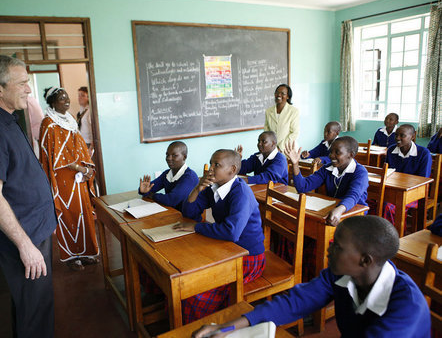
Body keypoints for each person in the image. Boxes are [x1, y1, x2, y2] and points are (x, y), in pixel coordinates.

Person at [192, 215, 430, 338]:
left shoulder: (406, 308)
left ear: (365, 260)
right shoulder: (342, 276)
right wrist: (226, 327)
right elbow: (296, 301)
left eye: (337, 246)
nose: (328, 250)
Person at [0, 54, 57, 338]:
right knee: (36, 310)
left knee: (32, 306)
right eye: (23, 83)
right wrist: (26, 246)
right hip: (24, 236)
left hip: (32, 229)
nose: (29, 89)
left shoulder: (5, 119)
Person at [174, 149, 265, 324]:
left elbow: (232, 232)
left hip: (248, 257)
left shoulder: (241, 193)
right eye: (211, 163)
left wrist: (197, 227)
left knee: (198, 291)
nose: (211, 169)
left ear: (232, 170)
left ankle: (199, 327)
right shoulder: (213, 187)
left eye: (217, 165)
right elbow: (189, 212)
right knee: (188, 277)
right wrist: (198, 187)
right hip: (226, 249)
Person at [39, 86, 99, 271]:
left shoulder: (70, 120)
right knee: (68, 215)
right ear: (52, 103)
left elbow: (79, 148)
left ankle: (86, 252)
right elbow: (57, 156)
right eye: (61, 99)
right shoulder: (48, 123)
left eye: (67, 97)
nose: (66, 101)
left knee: (83, 213)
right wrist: (81, 167)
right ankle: (71, 256)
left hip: (79, 177)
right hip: (63, 179)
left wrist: (87, 167)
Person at [285, 136, 368, 227]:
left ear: (351, 155)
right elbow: (302, 187)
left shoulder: (360, 172)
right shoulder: (327, 168)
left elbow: (353, 196)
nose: (331, 155)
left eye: (337, 152)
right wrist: (295, 164)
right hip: (333, 210)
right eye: (331, 151)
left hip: (354, 212)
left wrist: (339, 210)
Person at [384, 124, 432, 228]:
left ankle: (394, 236)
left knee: (388, 206)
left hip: (415, 193)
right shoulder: (391, 150)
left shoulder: (423, 153)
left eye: (402, 135)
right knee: (371, 202)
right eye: (396, 135)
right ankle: (377, 233)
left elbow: (423, 180)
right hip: (394, 189)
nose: (397, 138)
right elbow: (387, 173)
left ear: (413, 136)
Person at [138, 141, 198, 210]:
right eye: (167, 155)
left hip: (187, 217)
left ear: (184, 157)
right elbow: (149, 188)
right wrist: (143, 191)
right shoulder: (167, 174)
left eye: (174, 155)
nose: (169, 158)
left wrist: (151, 195)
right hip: (171, 212)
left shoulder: (190, 177)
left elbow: (171, 200)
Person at [263, 84, 299, 151]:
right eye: (277, 93)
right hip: (272, 150)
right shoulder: (268, 111)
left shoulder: (293, 111)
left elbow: (294, 132)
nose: (279, 95)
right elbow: (266, 131)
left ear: (288, 96)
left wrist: (280, 147)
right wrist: (272, 146)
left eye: (283, 93)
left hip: (288, 149)